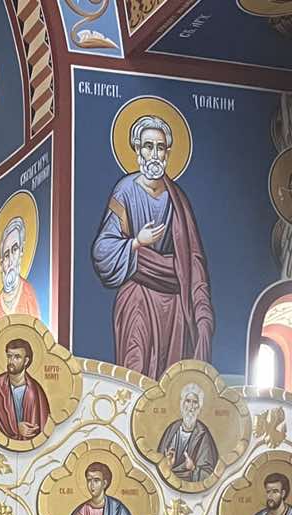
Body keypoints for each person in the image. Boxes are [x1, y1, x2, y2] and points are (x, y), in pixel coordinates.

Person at [91, 113, 213, 381]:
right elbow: (102, 249)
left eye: (160, 147)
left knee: (170, 382)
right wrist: (136, 242)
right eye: (148, 146)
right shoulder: (125, 191)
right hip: (138, 297)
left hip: (174, 303)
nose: (154, 154)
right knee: (135, 373)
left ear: (167, 153)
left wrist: (202, 311)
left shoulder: (178, 199)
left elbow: (192, 258)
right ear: (137, 151)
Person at [0, 338, 49, 442]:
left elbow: (43, 424)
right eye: (9, 356)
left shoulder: (36, 391)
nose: (11, 361)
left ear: (26, 361)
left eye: (17, 357)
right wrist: (16, 428)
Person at [0, 215, 40, 334]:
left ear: (21, 251)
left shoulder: (28, 293)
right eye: (6, 255)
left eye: (15, 249)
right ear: (1, 265)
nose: (11, 260)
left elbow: (38, 336)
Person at [158, 383, 219, 484]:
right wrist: (167, 465)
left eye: (195, 402)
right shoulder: (172, 429)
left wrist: (193, 468)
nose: (191, 406)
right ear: (182, 404)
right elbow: (158, 464)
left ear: (199, 407)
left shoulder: (203, 435)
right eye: (188, 401)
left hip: (190, 487)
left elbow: (210, 475)